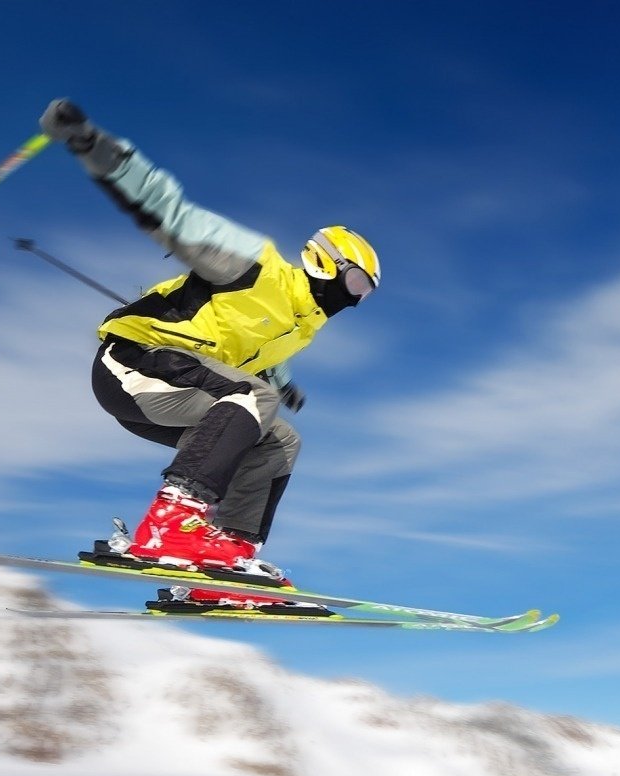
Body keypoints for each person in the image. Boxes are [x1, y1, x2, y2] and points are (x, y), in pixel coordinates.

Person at [38, 99, 379, 597]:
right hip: (133, 362)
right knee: (251, 399)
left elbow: (255, 345)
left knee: (279, 439)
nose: (355, 298)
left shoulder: (300, 326)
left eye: (365, 293)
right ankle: (171, 522)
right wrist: (92, 144)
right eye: (355, 282)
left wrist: (282, 382)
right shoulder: (253, 266)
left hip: (177, 395)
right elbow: (167, 209)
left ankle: (226, 554)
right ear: (325, 264)